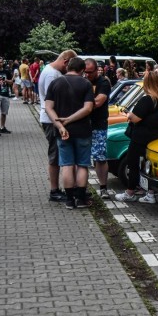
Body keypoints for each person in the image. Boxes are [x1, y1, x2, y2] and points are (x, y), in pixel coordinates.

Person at [45, 57, 95, 209]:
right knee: (82, 165)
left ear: (68, 68)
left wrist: (60, 125)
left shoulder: (55, 83)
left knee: (66, 165)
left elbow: (48, 107)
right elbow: (88, 109)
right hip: (82, 130)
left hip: (63, 132)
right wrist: (69, 120)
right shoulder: (86, 84)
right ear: (82, 70)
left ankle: (69, 200)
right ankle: (80, 199)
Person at [115, 71, 158, 203]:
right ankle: (150, 193)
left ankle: (130, 192)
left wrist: (129, 115)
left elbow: (134, 118)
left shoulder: (148, 99)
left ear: (146, 83)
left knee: (132, 162)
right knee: (150, 166)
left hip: (141, 137)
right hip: (157, 137)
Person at [39, 49, 78, 202]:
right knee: (55, 155)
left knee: (57, 154)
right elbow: (52, 103)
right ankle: (54, 190)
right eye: (69, 67)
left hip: (53, 119)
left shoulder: (51, 71)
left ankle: (58, 189)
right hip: (52, 120)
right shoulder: (52, 75)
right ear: (66, 62)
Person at [85, 58, 112, 199]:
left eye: (90, 72)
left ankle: (103, 188)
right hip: (83, 125)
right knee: (83, 158)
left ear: (97, 70)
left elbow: (99, 101)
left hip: (99, 124)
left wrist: (82, 107)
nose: (87, 75)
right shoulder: (82, 81)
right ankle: (82, 188)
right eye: (85, 72)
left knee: (100, 157)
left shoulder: (103, 82)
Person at [0, 57, 13, 134]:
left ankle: (2, 127)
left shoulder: (7, 72)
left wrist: (6, 80)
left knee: (4, 112)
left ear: (3, 62)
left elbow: (11, 82)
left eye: (1, 62)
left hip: (5, 94)